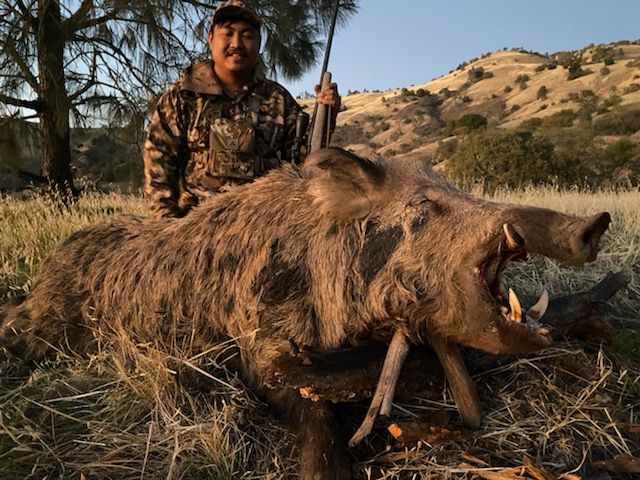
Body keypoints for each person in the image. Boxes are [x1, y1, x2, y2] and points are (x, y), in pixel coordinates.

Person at [143, 0, 341, 218]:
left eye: (247, 35)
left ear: (259, 42)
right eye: (227, 33)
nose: (236, 43)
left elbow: (303, 168)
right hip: (192, 235)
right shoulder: (181, 98)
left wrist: (327, 116)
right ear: (210, 39)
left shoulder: (279, 101)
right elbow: (159, 170)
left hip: (263, 231)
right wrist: (167, 233)